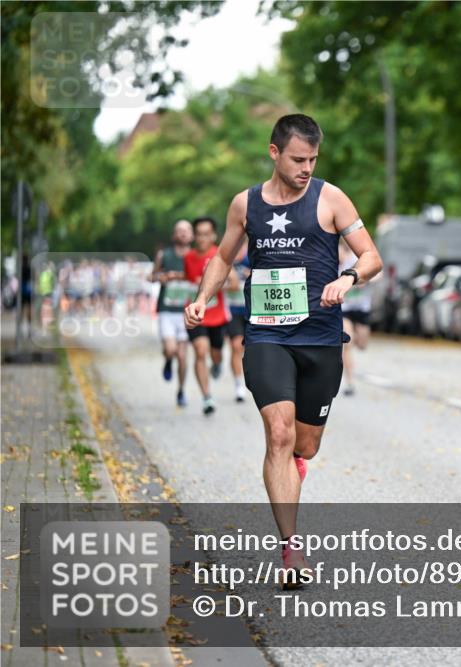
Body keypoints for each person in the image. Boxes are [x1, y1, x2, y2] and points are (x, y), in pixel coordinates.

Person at [184, 114, 382, 586]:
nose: (306, 168)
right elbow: (223, 257)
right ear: (274, 153)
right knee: (278, 433)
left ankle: (291, 475)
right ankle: (292, 550)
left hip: (321, 337)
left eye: (312, 159)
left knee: (305, 445)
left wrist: (347, 278)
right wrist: (203, 298)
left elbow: (370, 256)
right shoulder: (245, 205)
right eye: (297, 159)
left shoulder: (330, 198)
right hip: (267, 335)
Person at [184, 216, 231, 416]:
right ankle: (206, 397)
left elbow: (234, 283)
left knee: (215, 354)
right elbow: (184, 281)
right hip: (196, 314)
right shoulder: (188, 258)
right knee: (200, 351)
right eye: (199, 234)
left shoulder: (220, 255)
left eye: (206, 234)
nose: (202, 238)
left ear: (213, 235)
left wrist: (213, 285)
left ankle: (218, 363)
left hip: (217, 316)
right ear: (194, 236)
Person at [152, 220, 194, 406]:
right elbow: (151, 276)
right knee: (171, 349)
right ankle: (168, 360)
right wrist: (161, 277)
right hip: (166, 310)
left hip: (186, 311)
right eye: (179, 231)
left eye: (186, 231)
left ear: (192, 235)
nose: (183, 234)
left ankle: (181, 391)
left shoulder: (195, 256)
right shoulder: (164, 255)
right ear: (174, 235)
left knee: (183, 355)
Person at [338, 237, 376, 396]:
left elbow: (376, 272)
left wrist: (364, 279)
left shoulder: (356, 260)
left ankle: (355, 341)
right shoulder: (333, 265)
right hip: (344, 308)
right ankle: (350, 382)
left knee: (362, 344)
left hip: (361, 308)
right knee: (348, 343)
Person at [225, 240, 251, 402]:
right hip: (232, 310)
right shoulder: (226, 260)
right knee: (236, 346)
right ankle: (238, 385)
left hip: (252, 311)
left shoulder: (252, 259)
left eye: (241, 247)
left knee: (252, 349)